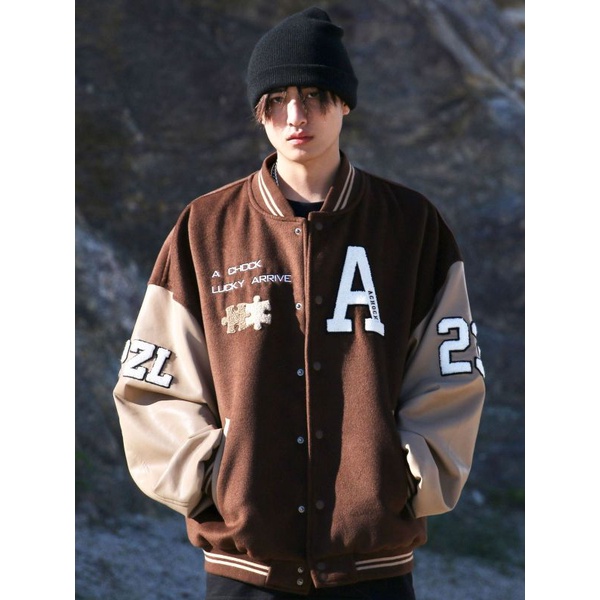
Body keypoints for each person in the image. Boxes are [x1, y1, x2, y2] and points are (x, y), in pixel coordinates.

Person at [113, 6, 485, 599]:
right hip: (244, 570)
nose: (295, 116)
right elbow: (153, 382)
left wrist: (402, 476)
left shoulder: (411, 226)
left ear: (345, 103)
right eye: (277, 100)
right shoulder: (206, 228)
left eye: (314, 95)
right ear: (258, 110)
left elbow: (451, 376)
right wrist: (215, 478)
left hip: (373, 570)